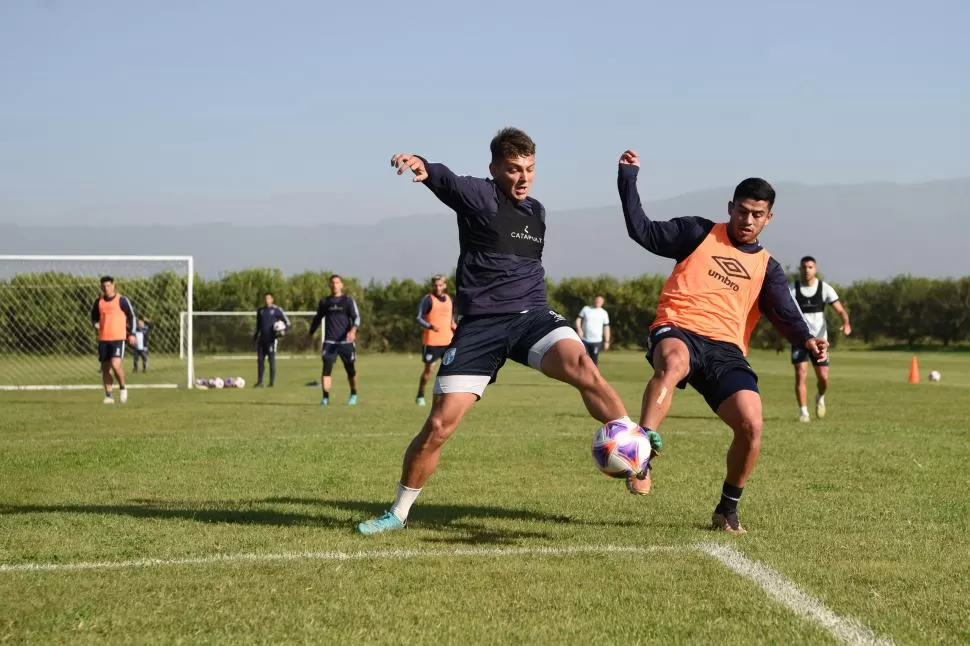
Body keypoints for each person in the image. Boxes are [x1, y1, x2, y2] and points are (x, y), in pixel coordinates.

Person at [356, 127, 658, 536]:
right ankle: (398, 513)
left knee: (583, 366)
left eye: (530, 169)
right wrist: (423, 165)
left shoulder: (537, 212)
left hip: (532, 316)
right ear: (495, 168)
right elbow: (448, 181)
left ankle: (636, 457)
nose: (523, 177)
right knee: (440, 426)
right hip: (481, 326)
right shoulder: (480, 195)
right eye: (514, 169)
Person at [617, 148, 828, 534]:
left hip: (725, 349)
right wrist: (627, 179)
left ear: (769, 218)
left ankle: (727, 509)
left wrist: (807, 338)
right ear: (730, 207)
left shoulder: (767, 268)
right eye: (742, 211)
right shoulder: (697, 233)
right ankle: (640, 455)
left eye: (757, 215)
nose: (747, 220)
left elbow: (785, 312)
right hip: (678, 327)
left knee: (752, 424)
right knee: (674, 363)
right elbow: (642, 230)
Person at [790, 256, 851, 422]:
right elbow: (783, 314)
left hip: (820, 341)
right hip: (799, 340)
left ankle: (820, 396)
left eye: (810, 267)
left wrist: (846, 322)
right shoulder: (792, 290)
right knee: (800, 374)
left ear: (815, 269)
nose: (806, 270)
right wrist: (778, 337)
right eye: (803, 267)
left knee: (823, 378)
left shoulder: (824, 288)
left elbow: (840, 310)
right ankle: (804, 413)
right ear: (800, 269)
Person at [308, 275, 361, 406]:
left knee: (350, 370)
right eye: (332, 283)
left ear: (342, 285)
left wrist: (353, 331)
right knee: (326, 370)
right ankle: (325, 398)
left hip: (345, 342)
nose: (335, 285)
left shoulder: (348, 301)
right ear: (329, 285)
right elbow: (317, 319)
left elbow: (357, 318)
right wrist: (310, 334)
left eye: (337, 282)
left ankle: (353, 394)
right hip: (330, 342)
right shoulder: (325, 302)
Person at [90, 276, 137, 404]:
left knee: (116, 365)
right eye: (104, 286)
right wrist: (95, 324)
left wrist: (132, 334)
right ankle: (109, 395)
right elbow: (94, 317)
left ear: (114, 285)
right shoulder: (98, 302)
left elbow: (132, 316)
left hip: (118, 338)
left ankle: (123, 388)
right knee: (105, 368)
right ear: (101, 287)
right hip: (103, 339)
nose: (106, 288)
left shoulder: (122, 300)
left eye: (109, 286)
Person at [415, 274, 457, 406]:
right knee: (429, 370)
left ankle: (447, 398)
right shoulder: (428, 300)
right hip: (432, 342)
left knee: (451, 371)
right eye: (435, 285)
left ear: (444, 285)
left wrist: (453, 324)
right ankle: (420, 395)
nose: (438, 287)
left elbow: (451, 317)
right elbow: (419, 318)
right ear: (432, 286)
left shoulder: (450, 299)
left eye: (440, 285)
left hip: (448, 341)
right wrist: (430, 326)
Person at [253, 292, 291, 388]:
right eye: (265, 299)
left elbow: (288, 323)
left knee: (271, 360)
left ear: (272, 299)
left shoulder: (276, 310)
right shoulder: (260, 311)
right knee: (260, 361)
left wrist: (282, 330)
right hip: (262, 340)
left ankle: (271, 382)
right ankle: (260, 382)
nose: (267, 300)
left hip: (271, 340)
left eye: (269, 299)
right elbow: (258, 326)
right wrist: (255, 337)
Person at [576, 296, 611, 365]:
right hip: (584, 339)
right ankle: (582, 374)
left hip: (596, 341)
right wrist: (579, 329)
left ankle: (592, 375)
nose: (598, 302)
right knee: (583, 359)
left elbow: (606, 327)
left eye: (600, 301)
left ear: (602, 302)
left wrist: (607, 341)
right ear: (594, 300)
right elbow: (578, 319)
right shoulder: (586, 309)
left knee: (593, 361)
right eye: (597, 300)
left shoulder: (604, 313)